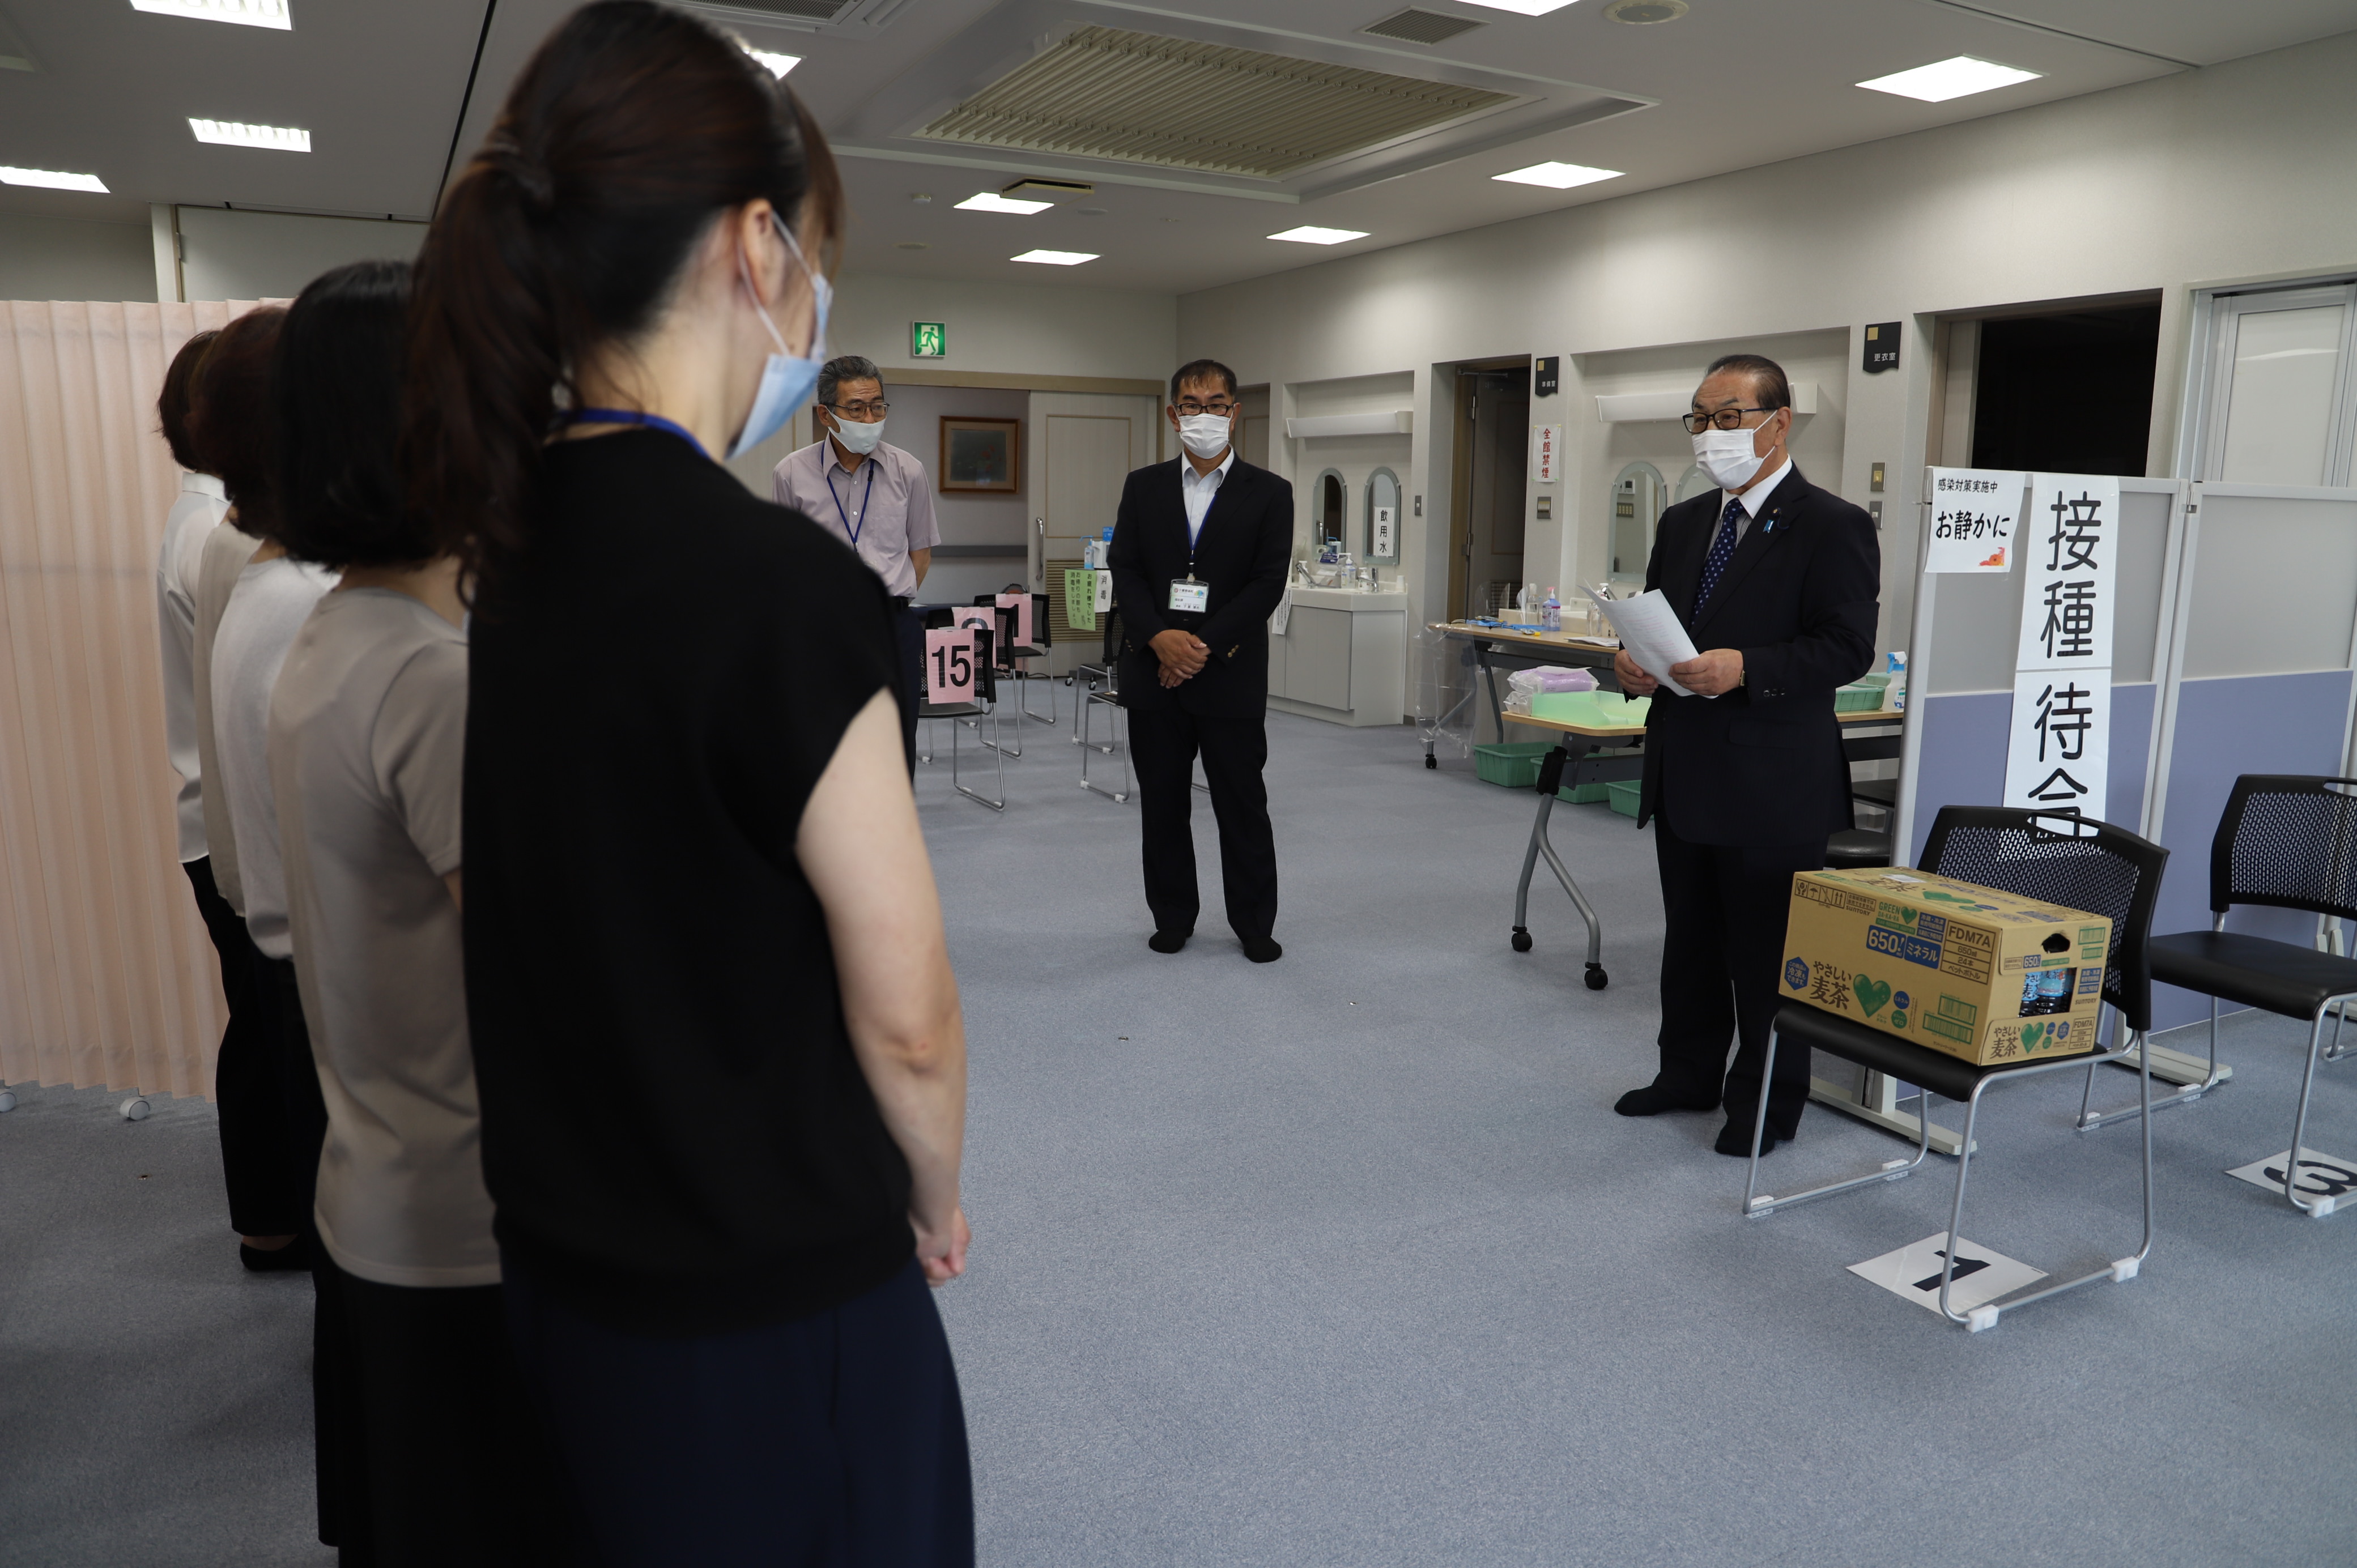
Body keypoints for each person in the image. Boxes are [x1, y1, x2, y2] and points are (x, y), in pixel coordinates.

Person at [406, 6, 972, 1562]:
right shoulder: (781, 591)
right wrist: (933, 1197)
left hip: (576, 1276)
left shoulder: (509, 556)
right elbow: (909, 1016)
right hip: (774, 1302)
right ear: (755, 244)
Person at [268, 259, 552, 1566]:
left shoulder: (344, 629)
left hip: (377, 1188)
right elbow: (550, 982)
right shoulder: (430, 679)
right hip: (466, 1226)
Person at [1611, 353, 1879, 1156]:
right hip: (1686, 765)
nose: (1710, 434)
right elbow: (1664, 628)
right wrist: (1632, 666)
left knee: (1766, 954)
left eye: (1728, 416)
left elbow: (1846, 648)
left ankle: (1766, 1104)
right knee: (1689, 939)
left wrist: (1748, 667)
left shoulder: (1831, 524)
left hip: (1773, 779)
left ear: (1777, 422)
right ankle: (1685, 1074)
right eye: (1700, 418)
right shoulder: (1683, 521)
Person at [182, 308, 323, 1271]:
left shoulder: (268, 566)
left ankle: (283, 1224)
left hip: (271, 893)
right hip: (280, 901)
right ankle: (278, 1223)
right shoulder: (276, 578)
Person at [154, 327, 288, 1271]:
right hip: (234, 830)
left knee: (262, 1032)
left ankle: (271, 1215)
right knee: (269, 1038)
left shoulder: (204, 523)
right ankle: (271, 1218)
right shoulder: (223, 537)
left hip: (226, 825)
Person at [1106, 357, 1291, 962]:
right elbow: (1126, 570)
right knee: (1161, 802)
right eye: (1191, 404)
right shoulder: (1143, 485)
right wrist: (1160, 638)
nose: (1204, 415)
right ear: (1172, 415)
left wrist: (1199, 646)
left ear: (1235, 414)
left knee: (1241, 800)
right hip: (1152, 671)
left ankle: (1253, 922)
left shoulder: (1269, 492)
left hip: (1229, 673)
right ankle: (1172, 914)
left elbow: (1265, 584)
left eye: (1216, 404)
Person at [773, 354, 937, 759]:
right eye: (857, 408)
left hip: (892, 627)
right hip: (821, 630)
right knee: (825, 744)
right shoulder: (791, 474)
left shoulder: (908, 471)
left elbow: (921, 552)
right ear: (826, 415)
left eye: (878, 406)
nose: (870, 419)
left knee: (895, 746)